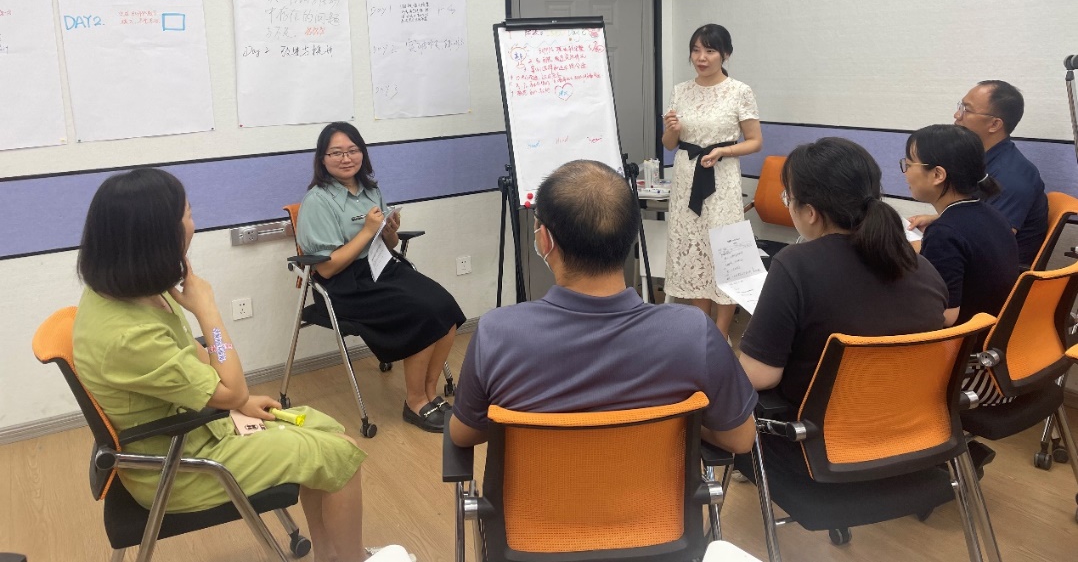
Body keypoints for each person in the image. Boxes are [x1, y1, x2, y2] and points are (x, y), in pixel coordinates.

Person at [72, 168, 374, 562]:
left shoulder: (128, 288)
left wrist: (239, 402)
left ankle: (331, 556)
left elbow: (196, 360)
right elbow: (230, 387)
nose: (193, 223)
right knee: (341, 456)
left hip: (192, 426)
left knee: (326, 430)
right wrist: (209, 313)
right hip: (178, 466)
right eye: (188, 214)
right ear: (158, 235)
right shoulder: (129, 336)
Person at [449, 160, 758, 454]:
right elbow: (741, 439)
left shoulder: (498, 334)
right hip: (652, 495)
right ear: (631, 235)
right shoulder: (693, 332)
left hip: (537, 493)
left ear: (545, 240)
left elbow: (464, 434)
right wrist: (681, 424)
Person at [738, 138, 948, 410]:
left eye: (788, 198)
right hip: (909, 418)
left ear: (810, 212)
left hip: (820, 426)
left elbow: (758, 376)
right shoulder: (922, 267)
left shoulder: (795, 265)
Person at [297, 122, 465, 433]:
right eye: (336, 153)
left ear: (362, 153)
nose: (346, 158)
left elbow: (387, 245)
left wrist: (389, 232)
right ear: (322, 159)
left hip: (381, 268)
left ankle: (430, 393)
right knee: (421, 313)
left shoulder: (370, 190)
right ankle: (415, 402)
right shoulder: (317, 201)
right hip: (344, 284)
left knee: (445, 305)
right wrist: (366, 231)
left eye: (352, 150)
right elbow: (327, 268)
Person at [662, 24, 763, 337]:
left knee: (724, 252)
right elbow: (669, 144)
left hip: (722, 179)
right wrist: (671, 130)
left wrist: (723, 151)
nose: (701, 57)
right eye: (696, 50)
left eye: (709, 50)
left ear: (725, 54)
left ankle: (721, 333)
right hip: (686, 178)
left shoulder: (739, 91)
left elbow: (755, 141)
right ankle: (702, 330)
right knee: (695, 253)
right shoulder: (680, 90)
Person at [909, 81, 1048, 266]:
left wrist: (916, 245)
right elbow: (979, 216)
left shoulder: (1012, 177)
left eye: (966, 109)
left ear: (994, 124)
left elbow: (990, 243)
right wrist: (937, 219)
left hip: (997, 276)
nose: (957, 115)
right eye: (960, 106)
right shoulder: (982, 160)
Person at [903, 124, 1019, 327]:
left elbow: (945, 317)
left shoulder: (944, 233)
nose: (905, 173)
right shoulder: (990, 213)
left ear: (937, 175)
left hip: (967, 338)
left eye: (909, 164)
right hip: (997, 327)